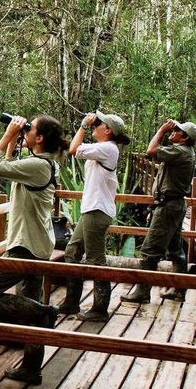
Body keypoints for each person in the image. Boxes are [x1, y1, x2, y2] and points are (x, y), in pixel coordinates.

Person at [0, 114, 69, 385]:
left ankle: (43, 311)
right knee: (29, 306)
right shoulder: (44, 163)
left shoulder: (38, 165)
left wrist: (8, 134)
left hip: (25, 247)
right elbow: (9, 165)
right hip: (39, 244)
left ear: (39, 138)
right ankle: (30, 368)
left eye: (30, 129)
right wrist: (16, 135)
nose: (26, 131)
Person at [60, 111, 131, 321]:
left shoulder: (107, 148)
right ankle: (71, 302)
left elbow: (73, 149)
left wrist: (82, 125)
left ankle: (100, 308)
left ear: (107, 130)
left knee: (95, 260)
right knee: (72, 252)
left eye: (98, 124)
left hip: (97, 211)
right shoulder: (103, 149)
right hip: (91, 210)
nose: (94, 125)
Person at [121, 119, 196, 304]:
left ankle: (142, 292)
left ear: (185, 137)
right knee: (175, 249)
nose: (173, 132)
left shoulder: (180, 151)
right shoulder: (182, 151)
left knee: (149, 251)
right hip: (171, 205)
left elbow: (151, 151)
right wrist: (154, 206)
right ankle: (179, 289)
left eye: (177, 131)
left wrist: (161, 130)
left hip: (169, 207)